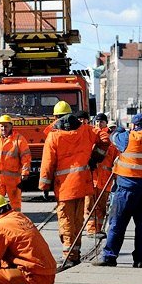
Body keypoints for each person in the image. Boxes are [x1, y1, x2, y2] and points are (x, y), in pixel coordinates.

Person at [39, 111, 109, 268]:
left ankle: (69, 256)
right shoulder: (86, 130)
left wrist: (44, 185)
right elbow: (105, 139)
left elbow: (47, 163)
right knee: (77, 221)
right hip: (83, 184)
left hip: (65, 187)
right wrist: (95, 158)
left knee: (66, 221)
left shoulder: (54, 136)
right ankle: (75, 253)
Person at [93, 113, 142, 268]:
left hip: (128, 187)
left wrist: (119, 129)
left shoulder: (129, 138)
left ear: (133, 126)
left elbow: (114, 136)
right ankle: (139, 258)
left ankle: (110, 256)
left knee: (118, 222)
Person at [0, 114, 30, 212]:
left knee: (15, 204)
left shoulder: (19, 139)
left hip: (12, 180)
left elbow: (26, 158)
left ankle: (16, 221)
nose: (3, 128)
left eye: (6, 126)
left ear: (11, 126)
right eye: (1, 126)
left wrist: (25, 174)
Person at [85, 116, 120, 237]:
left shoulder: (111, 140)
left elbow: (117, 159)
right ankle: (91, 229)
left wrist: (116, 176)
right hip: (91, 178)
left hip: (105, 180)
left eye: (102, 121)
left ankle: (98, 229)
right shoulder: (90, 135)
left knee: (101, 207)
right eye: (97, 121)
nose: (99, 123)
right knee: (89, 205)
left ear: (106, 123)